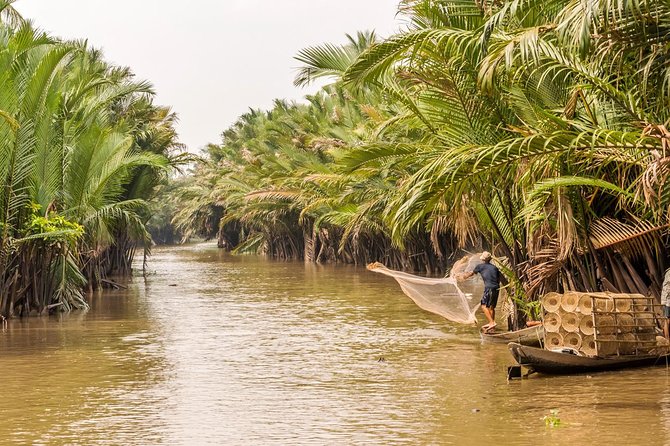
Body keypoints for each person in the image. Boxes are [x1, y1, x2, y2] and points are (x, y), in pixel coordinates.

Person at [460, 251, 501, 332]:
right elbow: (498, 279)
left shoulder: (480, 266)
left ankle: (492, 322)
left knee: (483, 306)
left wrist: (464, 277)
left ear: (483, 259)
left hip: (489, 288)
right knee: (492, 307)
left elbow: (471, 273)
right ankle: (492, 327)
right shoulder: (494, 267)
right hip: (496, 288)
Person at [661, 268, 670, 339]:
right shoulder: (669, 272)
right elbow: (667, 289)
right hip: (667, 300)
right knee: (667, 319)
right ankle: (667, 339)